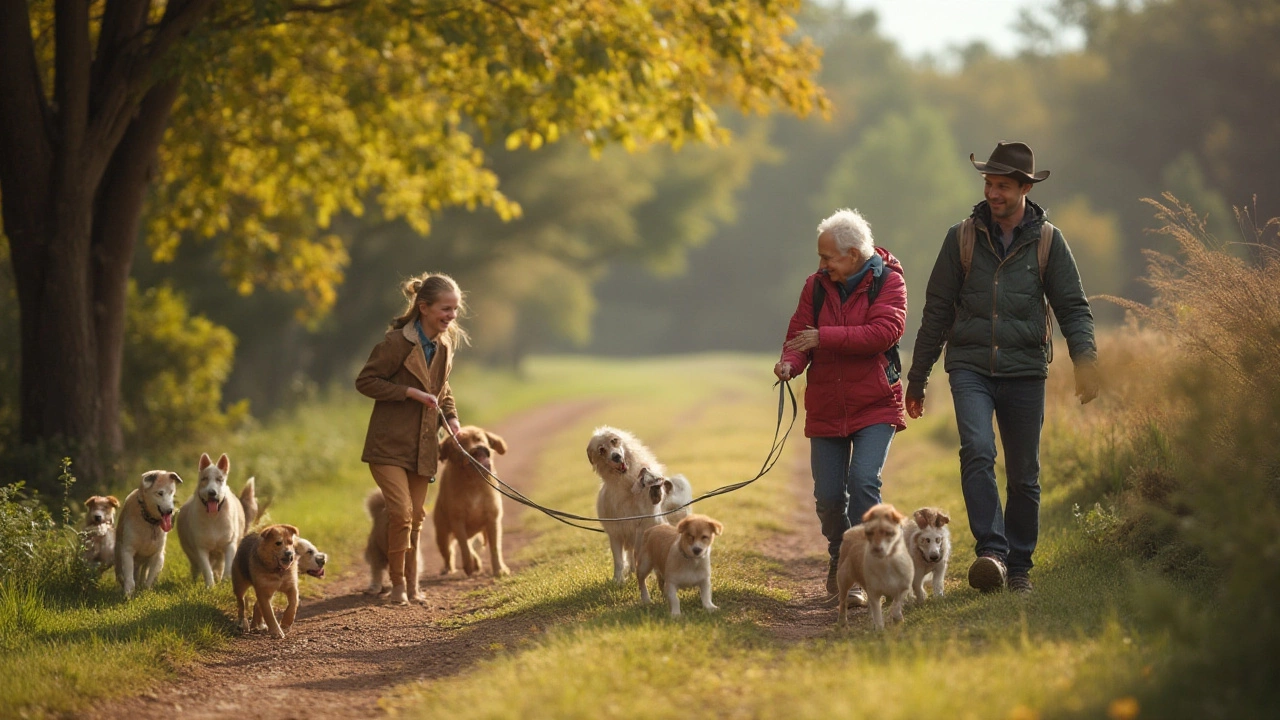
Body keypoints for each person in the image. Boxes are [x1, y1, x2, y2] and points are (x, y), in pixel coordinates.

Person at [905, 141, 1099, 595]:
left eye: (1003, 186)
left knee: (1024, 472)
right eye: (989, 184)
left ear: (1025, 188)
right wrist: (918, 376)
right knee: (976, 450)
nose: (993, 193)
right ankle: (991, 552)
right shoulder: (962, 237)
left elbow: (1073, 306)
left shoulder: (1049, 241)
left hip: (1026, 369)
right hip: (970, 364)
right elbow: (936, 309)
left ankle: (1019, 568)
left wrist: (1085, 360)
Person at [774, 208, 908, 606]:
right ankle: (841, 556)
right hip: (828, 406)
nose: (822, 265)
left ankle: (868, 568)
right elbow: (799, 336)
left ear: (852, 255)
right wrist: (789, 364)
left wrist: (824, 338)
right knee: (829, 497)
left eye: (828, 257)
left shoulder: (890, 282)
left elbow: (884, 332)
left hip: (876, 405)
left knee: (864, 482)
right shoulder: (815, 287)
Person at [356, 273, 467, 605]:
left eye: (455, 310)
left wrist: (453, 422)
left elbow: (443, 391)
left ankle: (413, 585)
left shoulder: (445, 345)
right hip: (387, 447)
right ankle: (398, 586)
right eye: (445, 309)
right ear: (424, 307)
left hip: (423, 448)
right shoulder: (394, 344)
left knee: (416, 517)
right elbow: (366, 381)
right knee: (402, 513)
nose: (451, 316)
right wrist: (408, 392)